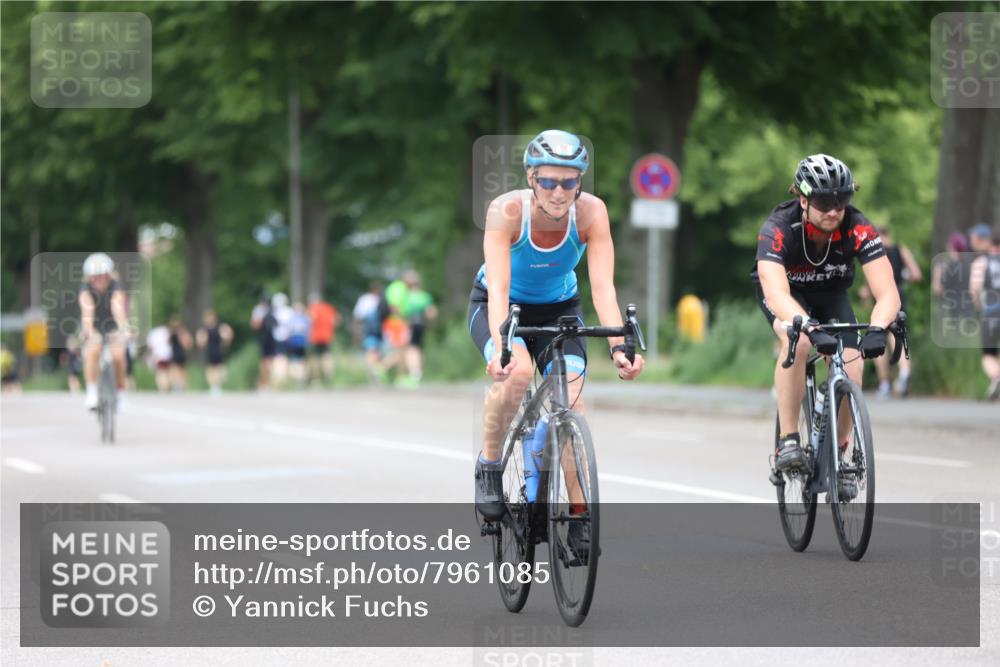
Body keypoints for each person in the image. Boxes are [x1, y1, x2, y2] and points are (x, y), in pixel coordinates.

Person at [469, 129, 644, 552]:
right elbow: (498, 287)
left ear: (580, 182)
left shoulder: (591, 213)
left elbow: (602, 288)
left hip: (561, 307)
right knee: (518, 374)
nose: (559, 191)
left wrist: (619, 346)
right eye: (548, 181)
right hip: (501, 304)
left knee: (572, 402)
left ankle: (581, 518)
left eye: (569, 182)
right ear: (531, 178)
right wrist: (503, 349)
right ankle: (489, 464)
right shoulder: (505, 211)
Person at [751, 154, 900, 475]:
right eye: (823, 202)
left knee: (852, 361)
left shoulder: (858, 227)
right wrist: (806, 325)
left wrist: (877, 328)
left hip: (832, 294)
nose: (833, 210)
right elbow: (775, 292)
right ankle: (788, 440)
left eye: (841, 201)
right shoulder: (778, 228)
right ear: (802, 199)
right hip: (787, 294)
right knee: (799, 343)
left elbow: (887, 292)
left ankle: (839, 452)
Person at [859, 226, 922, 398]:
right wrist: (902, 276)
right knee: (897, 336)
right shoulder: (900, 250)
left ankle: (885, 382)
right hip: (897, 294)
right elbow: (916, 274)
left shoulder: (874, 252)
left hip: (879, 297)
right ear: (889, 234)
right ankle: (904, 372)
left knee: (879, 336)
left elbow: (869, 282)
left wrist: (865, 295)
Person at [78, 253, 129, 410]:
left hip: (113, 325)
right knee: (93, 351)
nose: (99, 280)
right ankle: (92, 391)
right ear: (89, 278)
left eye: (103, 276)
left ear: (109, 275)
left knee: (119, 356)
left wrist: (123, 328)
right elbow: (88, 312)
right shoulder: (85, 289)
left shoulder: (116, 286)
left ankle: (119, 393)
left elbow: (118, 307)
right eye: (95, 277)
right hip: (94, 325)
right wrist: (89, 331)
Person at [969, 232, 1000, 401]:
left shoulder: (982, 262)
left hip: (992, 312)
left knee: (988, 355)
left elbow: (975, 287)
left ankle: (996, 377)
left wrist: (978, 306)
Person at [932, 231, 974, 335]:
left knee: (951, 336)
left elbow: (937, 290)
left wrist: (937, 276)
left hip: (949, 308)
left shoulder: (943, 266)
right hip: (967, 307)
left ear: (951, 246)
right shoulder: (970, 265)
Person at [400, 270, 438, 385]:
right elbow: (432, 312)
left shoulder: (406, 297)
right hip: (422, 325)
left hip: (410, 324)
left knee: (410, 349)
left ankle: (414, 373)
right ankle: (417, 372)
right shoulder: (424, 296)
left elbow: (402, 313)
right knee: (417, 348)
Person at [353, 282, 388, 383]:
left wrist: (356, 331)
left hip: (369, 329)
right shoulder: (383, 299)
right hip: (381, 329)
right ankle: (377, 372)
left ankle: (373, 373)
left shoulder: (364, 299)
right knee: (378, 351)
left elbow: (358, 316)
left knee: (370, 351)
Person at [196, 309, 234, 396]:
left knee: (221, 369)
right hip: (209, 351)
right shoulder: (204, 329)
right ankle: (213, 386)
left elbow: (228, 335)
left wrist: (226, 340)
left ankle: (218, 385)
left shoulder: (220, 327)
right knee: (210, 369)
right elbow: (200, 341)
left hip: (218, 350)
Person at [307, 292, 339, 385]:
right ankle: (329, 378)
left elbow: (311, 320)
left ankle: (316, 379)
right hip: (327, 336)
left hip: (315, 336)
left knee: (315, 357)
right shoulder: (328, 307)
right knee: (327, 357)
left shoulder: (312, 308)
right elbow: (336, 321)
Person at [250, 295, 278, 390]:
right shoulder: (274, 310)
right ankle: (269, 382)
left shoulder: (258, 310)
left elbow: (254, 325)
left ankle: (264, 382)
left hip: (264, 337)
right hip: (272, 338)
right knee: (270, 360)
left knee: (264, 361)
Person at [287, 302, 311, 387]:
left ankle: (298, 378)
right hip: (302, 341)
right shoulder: (305, 318)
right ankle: (301, 378)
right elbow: (308, 330)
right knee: (301, 361)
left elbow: (289, 331)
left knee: (296, 361)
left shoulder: (292, 318)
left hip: (295, 341)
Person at [167, 315, 193, 391]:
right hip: (181, 352)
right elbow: (188, 342)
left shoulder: (172, 332)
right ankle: (182, 385)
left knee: (174, 370)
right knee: (182, 370)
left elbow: (168, 342)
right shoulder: (181, 331)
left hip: (176, 353)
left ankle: (177, 385)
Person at [145, 324, 173, 392]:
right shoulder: (165, 330)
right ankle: (166, 387)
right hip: (166, 354)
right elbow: (168, 340)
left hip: (158, 355)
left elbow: (150, 346)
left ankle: (162, 388)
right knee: (165, 372)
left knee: (160, 373)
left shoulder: (152, 333)